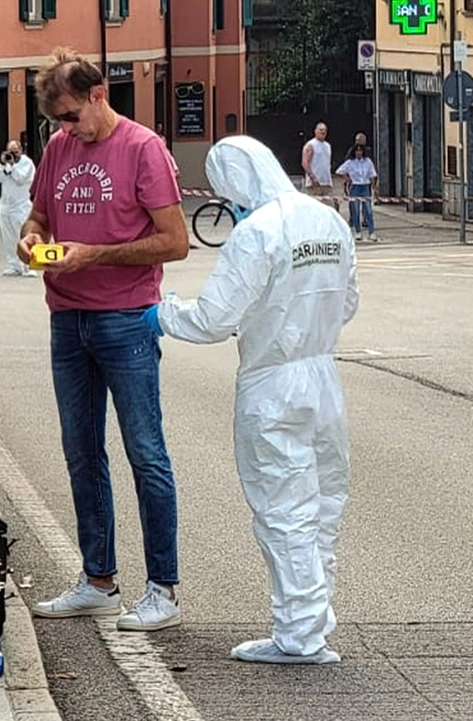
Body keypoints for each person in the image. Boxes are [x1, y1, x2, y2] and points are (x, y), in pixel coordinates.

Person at [144, 135, 358, 664]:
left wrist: (163, 313)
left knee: (283, 510)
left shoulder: (256, 232)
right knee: (322, 505)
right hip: (323, 376)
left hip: (272, 382)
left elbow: (215, 317)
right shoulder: (328, 220)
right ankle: (313, 619)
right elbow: (348, 301)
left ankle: (299, 636)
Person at [19, 46, 189, 632]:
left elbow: (174, 241)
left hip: (127, 317)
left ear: (99, 96)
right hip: (67, 317)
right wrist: (30, 239)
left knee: (146, 452)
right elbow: (39, 216)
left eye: (69, 116)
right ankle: (98, 580)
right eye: (55, 121)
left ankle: (162, 587)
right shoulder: (60, 149)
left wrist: (98, 255)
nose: (63, 129)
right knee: (81, 451)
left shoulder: (143, 149)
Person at [0, 140, 38, 277]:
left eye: (15, 152)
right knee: (8, 237)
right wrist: (1, 164)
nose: (12, 155)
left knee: (23, 236)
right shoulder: (5, 163)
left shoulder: (27, 163)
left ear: (21, 150)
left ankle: (29, 266)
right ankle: (14, 265)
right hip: (5, 205)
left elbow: (20, 179)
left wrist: (12, 166)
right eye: (10, 152)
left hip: (21, 205)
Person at [335, 144, 376, 241]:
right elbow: (339, 171)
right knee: (356, 211)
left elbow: (372, 174)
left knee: (368, 210)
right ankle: (358, 231)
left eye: (360, 151)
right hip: (355, 186)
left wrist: (374, 186)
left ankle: (371, 232)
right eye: (357, 151)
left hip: (365, 186)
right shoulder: (350, 162)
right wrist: (347, 179)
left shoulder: (368, 162)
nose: (359, 153)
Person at [302, 122, 337, 211]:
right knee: (314, 209)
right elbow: (305, 163)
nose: (323, 132)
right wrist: (312, 177)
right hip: (314, 184)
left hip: (326, 182)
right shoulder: (310, 145)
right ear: (315, 131)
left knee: (328, 209)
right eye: (321, 130)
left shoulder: (328, 146)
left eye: (325, 130)